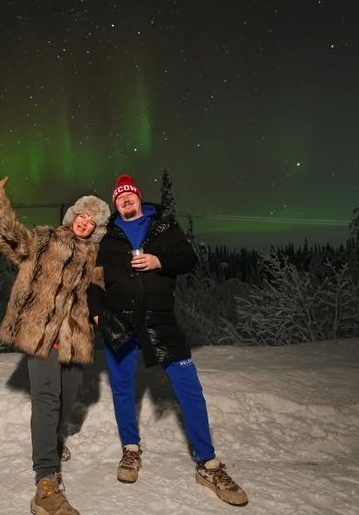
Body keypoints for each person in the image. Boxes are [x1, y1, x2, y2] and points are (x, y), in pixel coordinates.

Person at [88, 174, 248, 506]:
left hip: (160, 322)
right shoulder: (107, 237)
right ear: (115, 203)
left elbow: (188, 259)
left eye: (130, 195)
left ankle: (208, 463)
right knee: (122, 386)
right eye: (119, 197)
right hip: (119, 322)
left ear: (138, 198)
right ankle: (130, 450)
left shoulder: (163, 227)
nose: (125, 200)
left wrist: (160, 261)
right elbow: (92, 281)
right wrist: (97, 313)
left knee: (188, 385)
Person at [0, 162, 110, 515]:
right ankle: (45, 484)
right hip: (41, 333)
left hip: (75, 339)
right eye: (82, 215)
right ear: (73, 215)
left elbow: (105, 291)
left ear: (96, 229)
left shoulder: (96, 256)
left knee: (67, 400)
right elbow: (10, 238)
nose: (84, 222)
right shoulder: (45, 239)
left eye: (91, 221)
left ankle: (51, 440)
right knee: (47, 399)